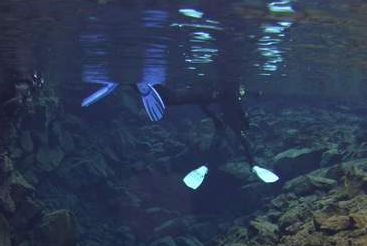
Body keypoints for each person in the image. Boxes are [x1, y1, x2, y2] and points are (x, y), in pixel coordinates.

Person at [81, 80, 279, 189]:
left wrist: (217, 117)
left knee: (171, 99)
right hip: (208, 95)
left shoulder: (229, 103)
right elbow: (238, 129)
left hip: (206, 95)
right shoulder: (233, 102)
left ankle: (133, 82)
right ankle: (136, 82)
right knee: (173, 99)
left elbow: (218, 122)